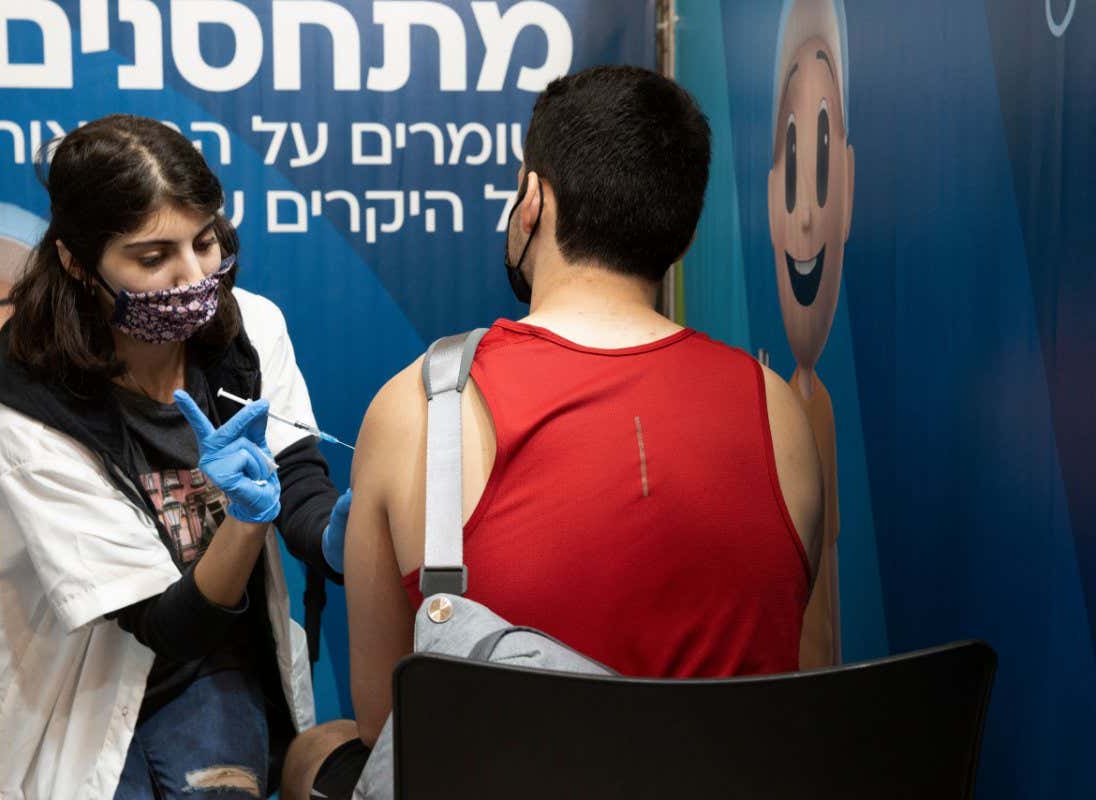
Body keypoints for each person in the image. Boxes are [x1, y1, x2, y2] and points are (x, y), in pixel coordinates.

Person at [282, 65, 826, 800]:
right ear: (685, 230)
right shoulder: (777, 409)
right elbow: (808, 677)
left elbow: (389, 724)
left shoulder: (420, 403)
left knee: (316, 750)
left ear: (532, 199)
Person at [0, 114, 348, 799]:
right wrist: (245, 522)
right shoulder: (33, 412)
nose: (195, 276)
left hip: (215, 666)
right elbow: (168, 626)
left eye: (205, 240)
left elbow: (296, 472)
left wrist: (337, 539)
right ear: (79, 263)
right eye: (153, 256)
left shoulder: (250, 331)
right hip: (88, 678)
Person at [767, 0, 853, 668]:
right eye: (792, 168)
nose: (803, 214)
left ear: (847, 187)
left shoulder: (811, 405)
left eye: (820, 164)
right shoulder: (782, 398)